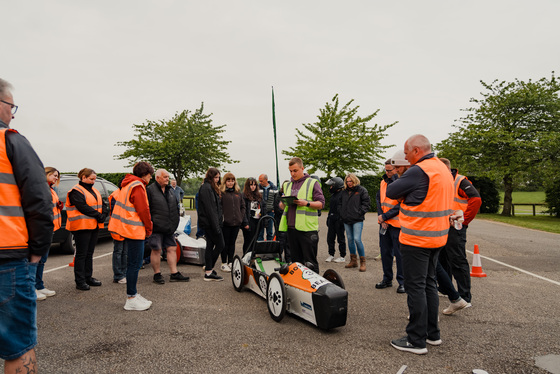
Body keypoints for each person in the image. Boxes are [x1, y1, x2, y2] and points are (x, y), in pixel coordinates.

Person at [0, 78, 53, 372]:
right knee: (18, 347)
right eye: (10, 106)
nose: (13, 113)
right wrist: (37, 251)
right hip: (7, 256)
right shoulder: (11, 141)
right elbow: (39, 201)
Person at [386, 134, 454, 355]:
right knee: (429, 284)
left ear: (416, 150)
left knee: (415, 287)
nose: (404, 157)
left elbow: (391, 192)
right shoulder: (441, 168)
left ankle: (416, 340)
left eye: (406, 153)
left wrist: (399, 177)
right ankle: (432, 334)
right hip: (437, 237)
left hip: (417, 238)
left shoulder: (418, 170)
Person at [108, 161, 155, 311]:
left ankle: (133, 294)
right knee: (135, 264)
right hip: (135, 230)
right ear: (146, 174)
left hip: (128, 228)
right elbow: (143, 210)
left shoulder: (128, 184)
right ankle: (131, 298)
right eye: (150, 176)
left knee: (132, 263)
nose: (150, 179)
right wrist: (149, 227)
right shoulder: (137, 186)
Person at [438, 157, 482, 313]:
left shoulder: (460, 181)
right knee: (442, 258)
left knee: (457, 260)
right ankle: (445, 289)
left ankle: (465, 297)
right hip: (442, 225)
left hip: (456, 226)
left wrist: (464, 221)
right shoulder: (442, 181)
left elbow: (476, 199)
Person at [278, 157, 325, 272]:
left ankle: (314, 288)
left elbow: (321, 204)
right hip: (291, 228)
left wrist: (306, 203)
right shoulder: (288, 185)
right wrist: (284, 202)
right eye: (290, 171)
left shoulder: (312, 183)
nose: (292, 173)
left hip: (307, 230)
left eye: (295, 170)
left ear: (302, 168)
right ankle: (299, 288)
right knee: (296, 263)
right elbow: (281, 206)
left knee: (310, 262)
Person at [66, 168, 108, 291]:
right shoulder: (75, 191)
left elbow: (103, 204)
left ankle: (88, 277)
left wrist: (103, 214)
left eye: (94, 179)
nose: (93, 181)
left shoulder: (94, 190)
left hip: (93, 225)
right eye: (91, 179)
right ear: (83, 177)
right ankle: (80, 281)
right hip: (81, 226)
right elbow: (82, 206)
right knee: (81, 254)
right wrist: (98, 215)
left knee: (89, 253)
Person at [147, 169, 189, 284]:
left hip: (169, 227)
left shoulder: (170, 190)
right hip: (156, 227)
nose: (167, 179)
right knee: (156, 250)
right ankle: (157, 274)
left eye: (168, 177)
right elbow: (146, 210)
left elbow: (175, 207)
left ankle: (174, 273)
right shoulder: (150, 190)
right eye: (165, 177)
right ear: (157, 178)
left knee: (172, 249)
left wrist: (175, 223)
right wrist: (151, 224)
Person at [375, 154, 408, 293]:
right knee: (385, 252)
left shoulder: (401, 182)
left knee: (399, 255)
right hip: (384, 224)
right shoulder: (383, 182)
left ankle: (402, 282)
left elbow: (401, 204)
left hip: (396, 225)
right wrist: (381, 217)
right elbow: (379, 200)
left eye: (390, 170)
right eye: (386, 170)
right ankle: (387, 279)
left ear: (396, 169)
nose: (387, 173)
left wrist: (385, 217)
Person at [35, 167, 63, 301]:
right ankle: (32, 288)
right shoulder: (39, 188)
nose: (56, 178)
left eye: (57, 176)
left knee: (42, 260)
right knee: (36, 260)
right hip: (40, 229)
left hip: (49, 229)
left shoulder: (51, 189)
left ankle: (39, 286)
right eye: (53, 175)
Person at [197, 167, 225, 281]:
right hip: (211, 224)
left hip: (211, 223)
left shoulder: (210, 187)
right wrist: (216, 226)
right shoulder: (207, 188)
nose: (217, 179)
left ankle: (208, 270)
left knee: (210, 246)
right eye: (215, 177)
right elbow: (210, 209)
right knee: (221, 245)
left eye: (218, 177)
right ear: (210, 177)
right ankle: (209, 269)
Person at [340, 173, 371, 272]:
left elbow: (366, 203)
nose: (349, 183)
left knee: (357, 239)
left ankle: (362, 261)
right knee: (350, 239)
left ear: (355, 180)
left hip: (357, 219)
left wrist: (359, 213)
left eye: (351, 181)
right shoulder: (343, 192)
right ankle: (353, 261)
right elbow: (339, 204)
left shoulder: (361, 190)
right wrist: (342, 213)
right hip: (346, 219)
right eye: (347, 181)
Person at [219, 172, 247, 272]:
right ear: (225, 181)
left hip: (236, 223)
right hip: (225, 223)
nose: (230, 183)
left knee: (232, 243)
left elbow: (243, 206)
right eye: (228, 181)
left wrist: (240, 217)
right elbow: (219, 208)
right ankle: (223, 262)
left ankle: (230, 262)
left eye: (232, 181)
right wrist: (222, 218)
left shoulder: (238, 193)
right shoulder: (221, 193)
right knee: (225, 244)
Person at [324, 177, 346, 263]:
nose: (330, 188)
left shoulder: (343, 195)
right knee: (330, 238)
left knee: (340, 239)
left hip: (339, 220)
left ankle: (342, 256)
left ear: (336, 186)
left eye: (331, 186)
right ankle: (331, 254)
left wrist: (342, 219)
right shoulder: (333, 195)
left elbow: (344, 208)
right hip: (332, 219)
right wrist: (328, 217)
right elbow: (331, 208)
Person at [108, 185, 127, 284]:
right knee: (119, 251)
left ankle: (123, 273)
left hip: (125, 227)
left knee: (124, 251)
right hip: (118, 227)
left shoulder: (123, 194)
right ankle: (118, 275)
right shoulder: (117, 195)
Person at [241, 177, 262, 254]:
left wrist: (264, 221)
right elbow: (243, 210)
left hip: (257, 220)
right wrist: (245, 223)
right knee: (248, 241)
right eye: (251, 185)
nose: (253, 186)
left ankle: (253, 257)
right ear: (247, 186)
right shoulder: (243, 196)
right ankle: (246, 256)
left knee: (255, 241)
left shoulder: (258, 195)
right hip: (249, 221)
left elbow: (263, 207)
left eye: (254, 185)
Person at [257, 174, 277, 241]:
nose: (260, 182)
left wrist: (274, 209)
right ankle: (260, 247)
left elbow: (276, 200)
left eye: (261, 181)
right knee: (260, 231)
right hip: (261, 212)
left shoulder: (274, 188)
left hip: (270, 212)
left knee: (270, 231)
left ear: (266, 180)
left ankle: (269, 246)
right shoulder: (258, 188)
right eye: (259, 181)